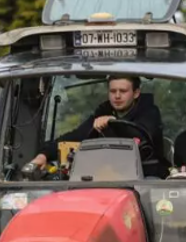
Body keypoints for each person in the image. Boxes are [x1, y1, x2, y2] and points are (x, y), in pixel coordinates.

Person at [29, 76, 167, 178]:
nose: (117, 96)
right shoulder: (102, 112)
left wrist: (113, 123)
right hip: (105, 177)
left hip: (146, 177)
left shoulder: (150, 113)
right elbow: (77, 136)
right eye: (113, 91)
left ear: (136, 93)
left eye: (123, 91)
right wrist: (44, 155)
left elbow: (142, 136)